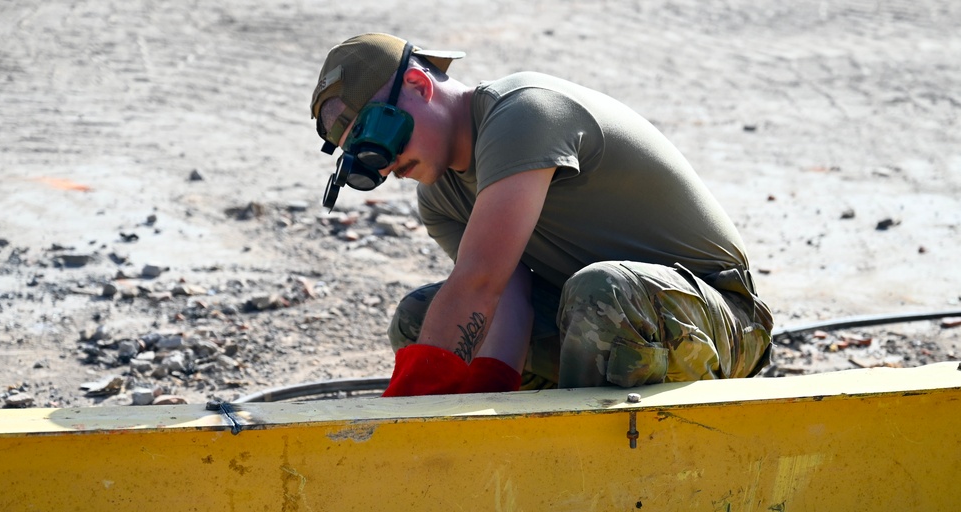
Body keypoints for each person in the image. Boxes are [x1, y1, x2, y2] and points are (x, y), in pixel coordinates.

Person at [310, 33, 773, 397]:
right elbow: (504, 298)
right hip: (597, 319)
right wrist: (479, 412)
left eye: (377, 136)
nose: (386, 164)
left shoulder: (524, 112)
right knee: (419, 319)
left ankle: (582, 460)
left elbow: (480, 280)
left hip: (720, 320)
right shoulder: (440, 199)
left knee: (601, 292)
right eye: (365, 158)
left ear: (418, 84)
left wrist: (400, 418)